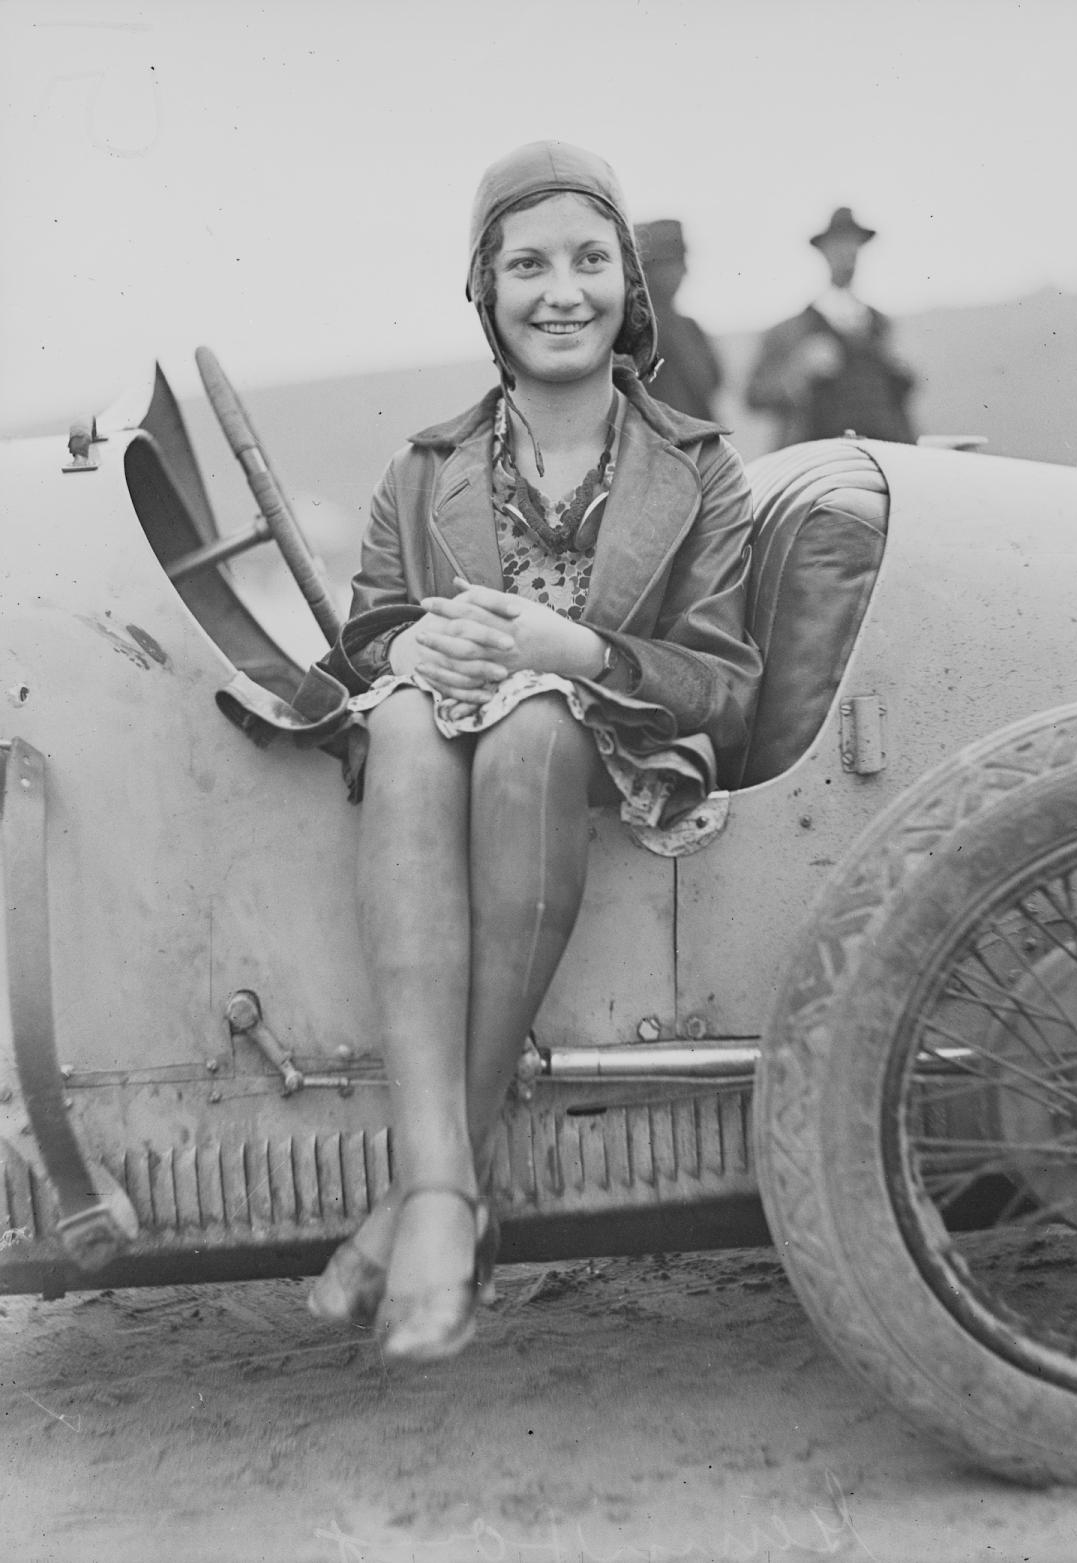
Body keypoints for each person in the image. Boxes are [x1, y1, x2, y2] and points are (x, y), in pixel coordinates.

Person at [304, 140, 761, 1362]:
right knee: (404, 720)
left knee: (534, 725)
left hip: (612, 751)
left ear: (629, 284)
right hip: (443, 749)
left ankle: (425, 1196)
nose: (563, 293)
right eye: (527, 267)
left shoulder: (701, 469)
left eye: (590, 261)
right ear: (485, 290)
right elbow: (365, 639)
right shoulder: (422, 471)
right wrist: (411, 650)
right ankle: (446, 1190)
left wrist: (579, 649)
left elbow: (726, 689)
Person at [744, 206, 917, 446]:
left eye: (853, 245)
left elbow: (902, 396)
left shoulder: (879, 326)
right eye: (839, 245)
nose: (847, 254)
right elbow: (754, 395)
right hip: (820, 458)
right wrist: (799, 369)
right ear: (824, 251)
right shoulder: (793, 329)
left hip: (881, 454)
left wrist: (900, 369)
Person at [635, 218, 724, 422]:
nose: (683, 272)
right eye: (671, 263)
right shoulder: (633, 329)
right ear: (646, 271)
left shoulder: (689, 327)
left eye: (681, 262)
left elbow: (713, 383)